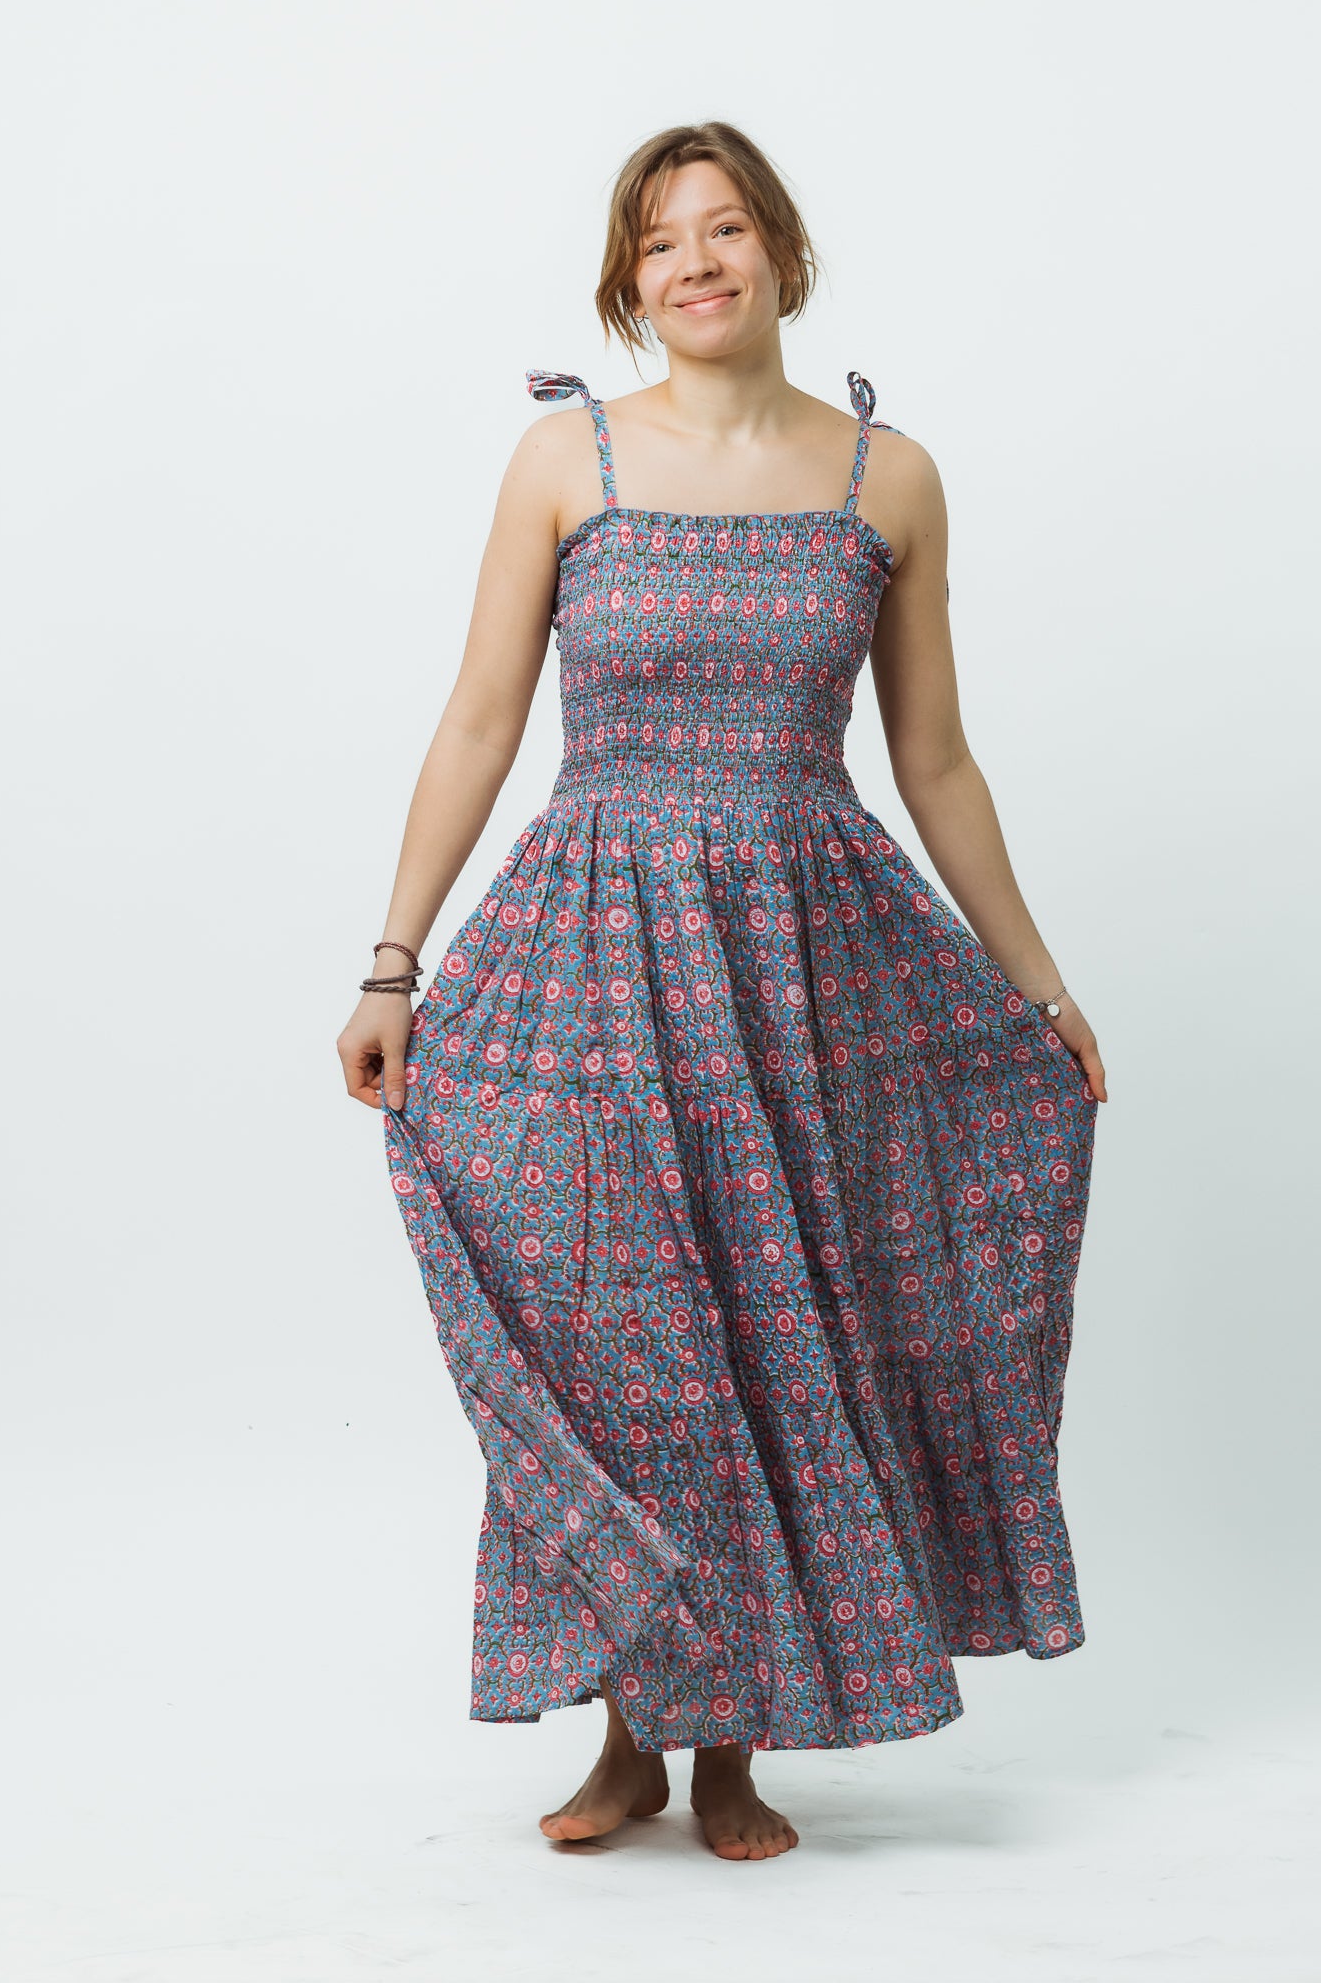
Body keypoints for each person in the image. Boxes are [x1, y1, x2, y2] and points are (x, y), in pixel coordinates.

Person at [338, 121, 1107, 1863]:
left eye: (729, 230)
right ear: (628, 283)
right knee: (627, 1346)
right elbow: (478, 722)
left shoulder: (882, 478)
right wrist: (396, 957)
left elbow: (939, 759)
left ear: (782, 256)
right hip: (594, 946)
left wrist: (1037, 988)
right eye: (663, 241)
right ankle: (629, 1734)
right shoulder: (565, 461)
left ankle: (738, 1753)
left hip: (805, 960)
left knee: (778, 1334)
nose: (698, 262)